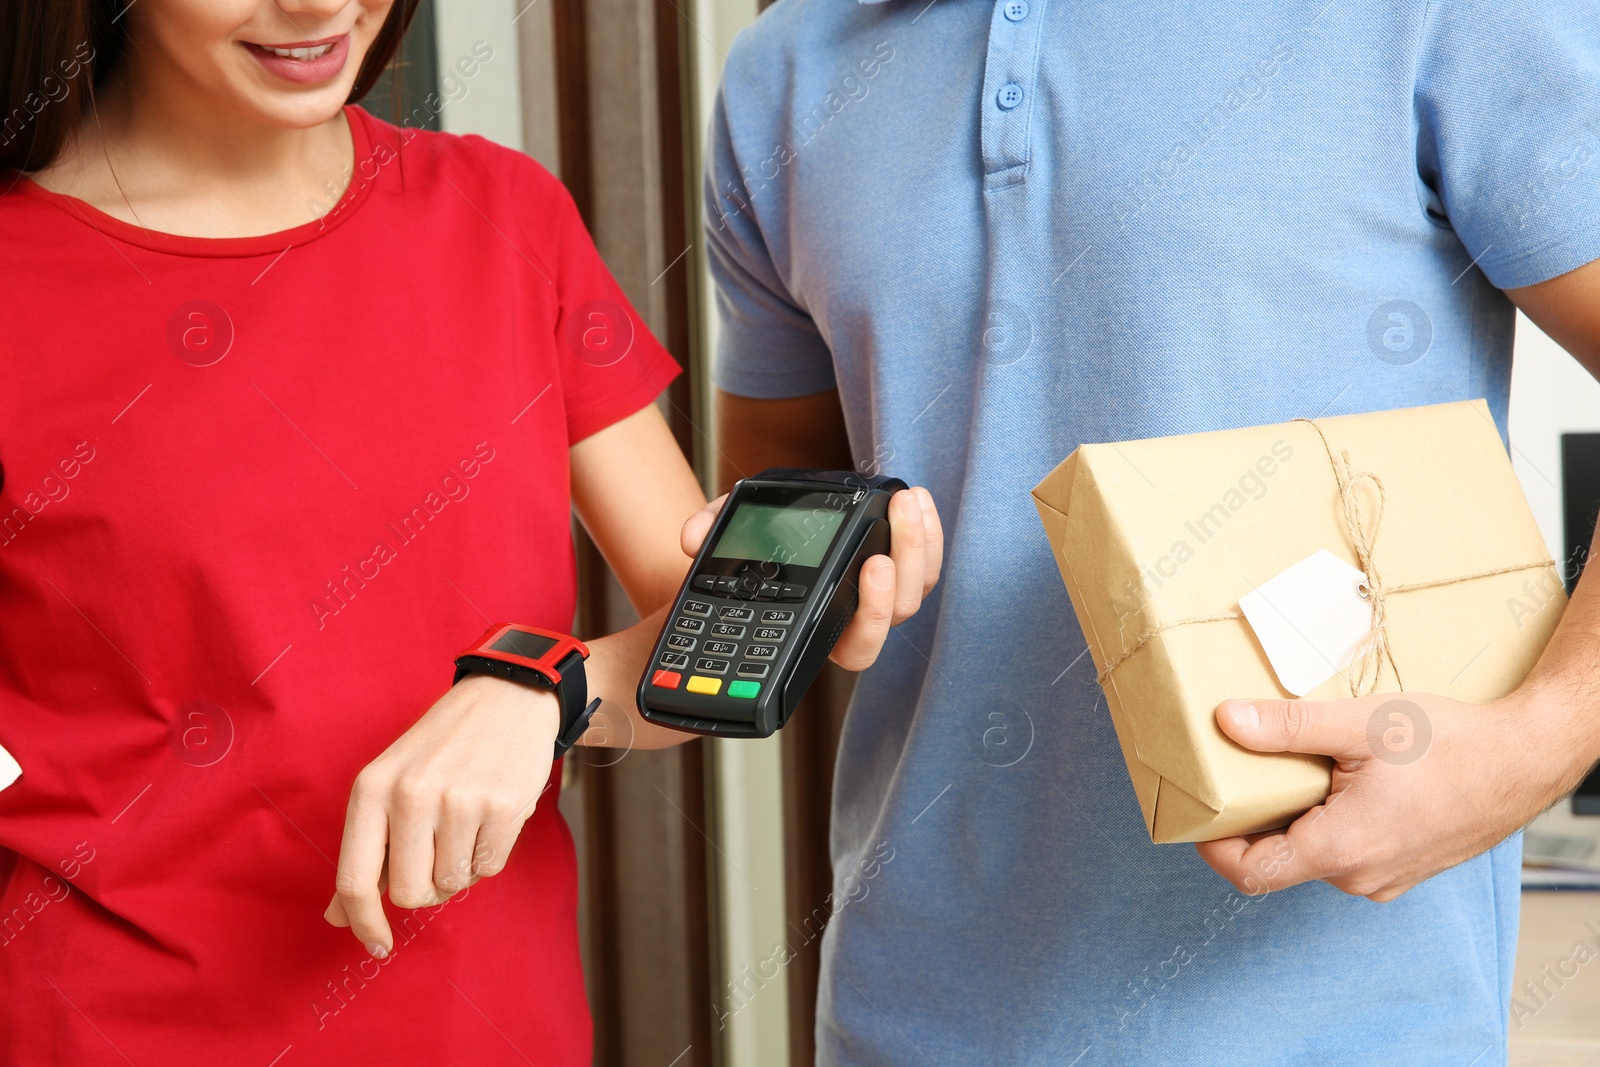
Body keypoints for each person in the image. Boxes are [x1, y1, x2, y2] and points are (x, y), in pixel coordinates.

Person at [0, 1, 940, 1063]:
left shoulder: (504, 213)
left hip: (494, 1028)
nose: (317, 6)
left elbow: (689, 633)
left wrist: (542, 684)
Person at [704, 0, 1600, 1061]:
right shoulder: (783, 69)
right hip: (903, 1013)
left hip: (1344, 1022)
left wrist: (1540, 737)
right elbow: (782, 490)